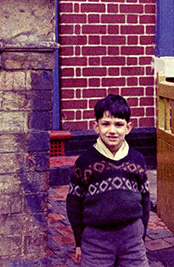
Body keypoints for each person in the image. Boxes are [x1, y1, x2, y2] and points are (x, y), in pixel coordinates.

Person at [66, 94, 151, 266]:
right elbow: (74, 203)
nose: (112, 130)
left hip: (132, 237)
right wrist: (78, 241)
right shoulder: (85, 162)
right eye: (106, 124)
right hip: (96, 239)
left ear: (129, 127)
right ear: (96, 126)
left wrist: (141, 235)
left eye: (118, 124)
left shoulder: (137, 159)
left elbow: (145, 200)